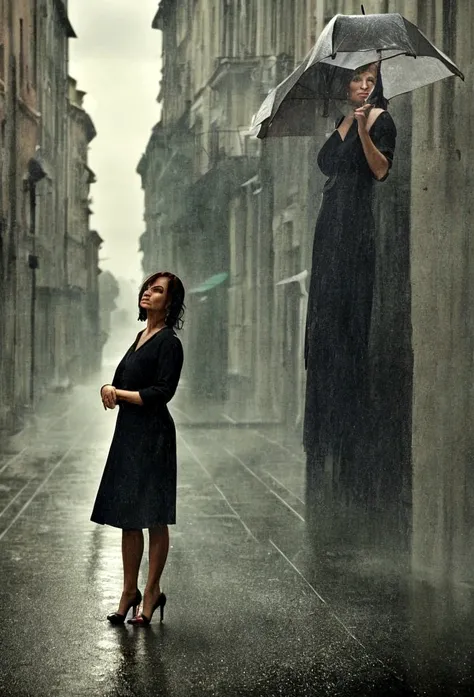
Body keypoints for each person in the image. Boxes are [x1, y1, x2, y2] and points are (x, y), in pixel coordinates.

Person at [303, 63, 397, 502]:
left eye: (371, 81)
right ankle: (324, 435)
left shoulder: (380, 121)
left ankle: (349, 437)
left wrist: (361, 129)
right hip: (329, 224)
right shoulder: (339, 119)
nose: (363, 86)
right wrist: (346, 126)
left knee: (345, 326)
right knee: (323, 327)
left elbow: (380, 171)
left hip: (355, 225)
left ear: (379, 88)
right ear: (347, 84)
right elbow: (329, 166)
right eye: (358, 79)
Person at [91, 271, 185, 626]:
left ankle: (151, 591)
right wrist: (107, 387)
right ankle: (128, 591)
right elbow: (121, 380)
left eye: (157, 290)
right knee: (129, 518)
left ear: (170, 302)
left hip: (154, 436)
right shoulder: (140, 336)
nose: (148, 292)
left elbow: (162, 393)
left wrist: (120, 395)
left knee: (153, 516)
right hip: (129, 433)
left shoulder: (169, 343)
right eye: (147, 286)